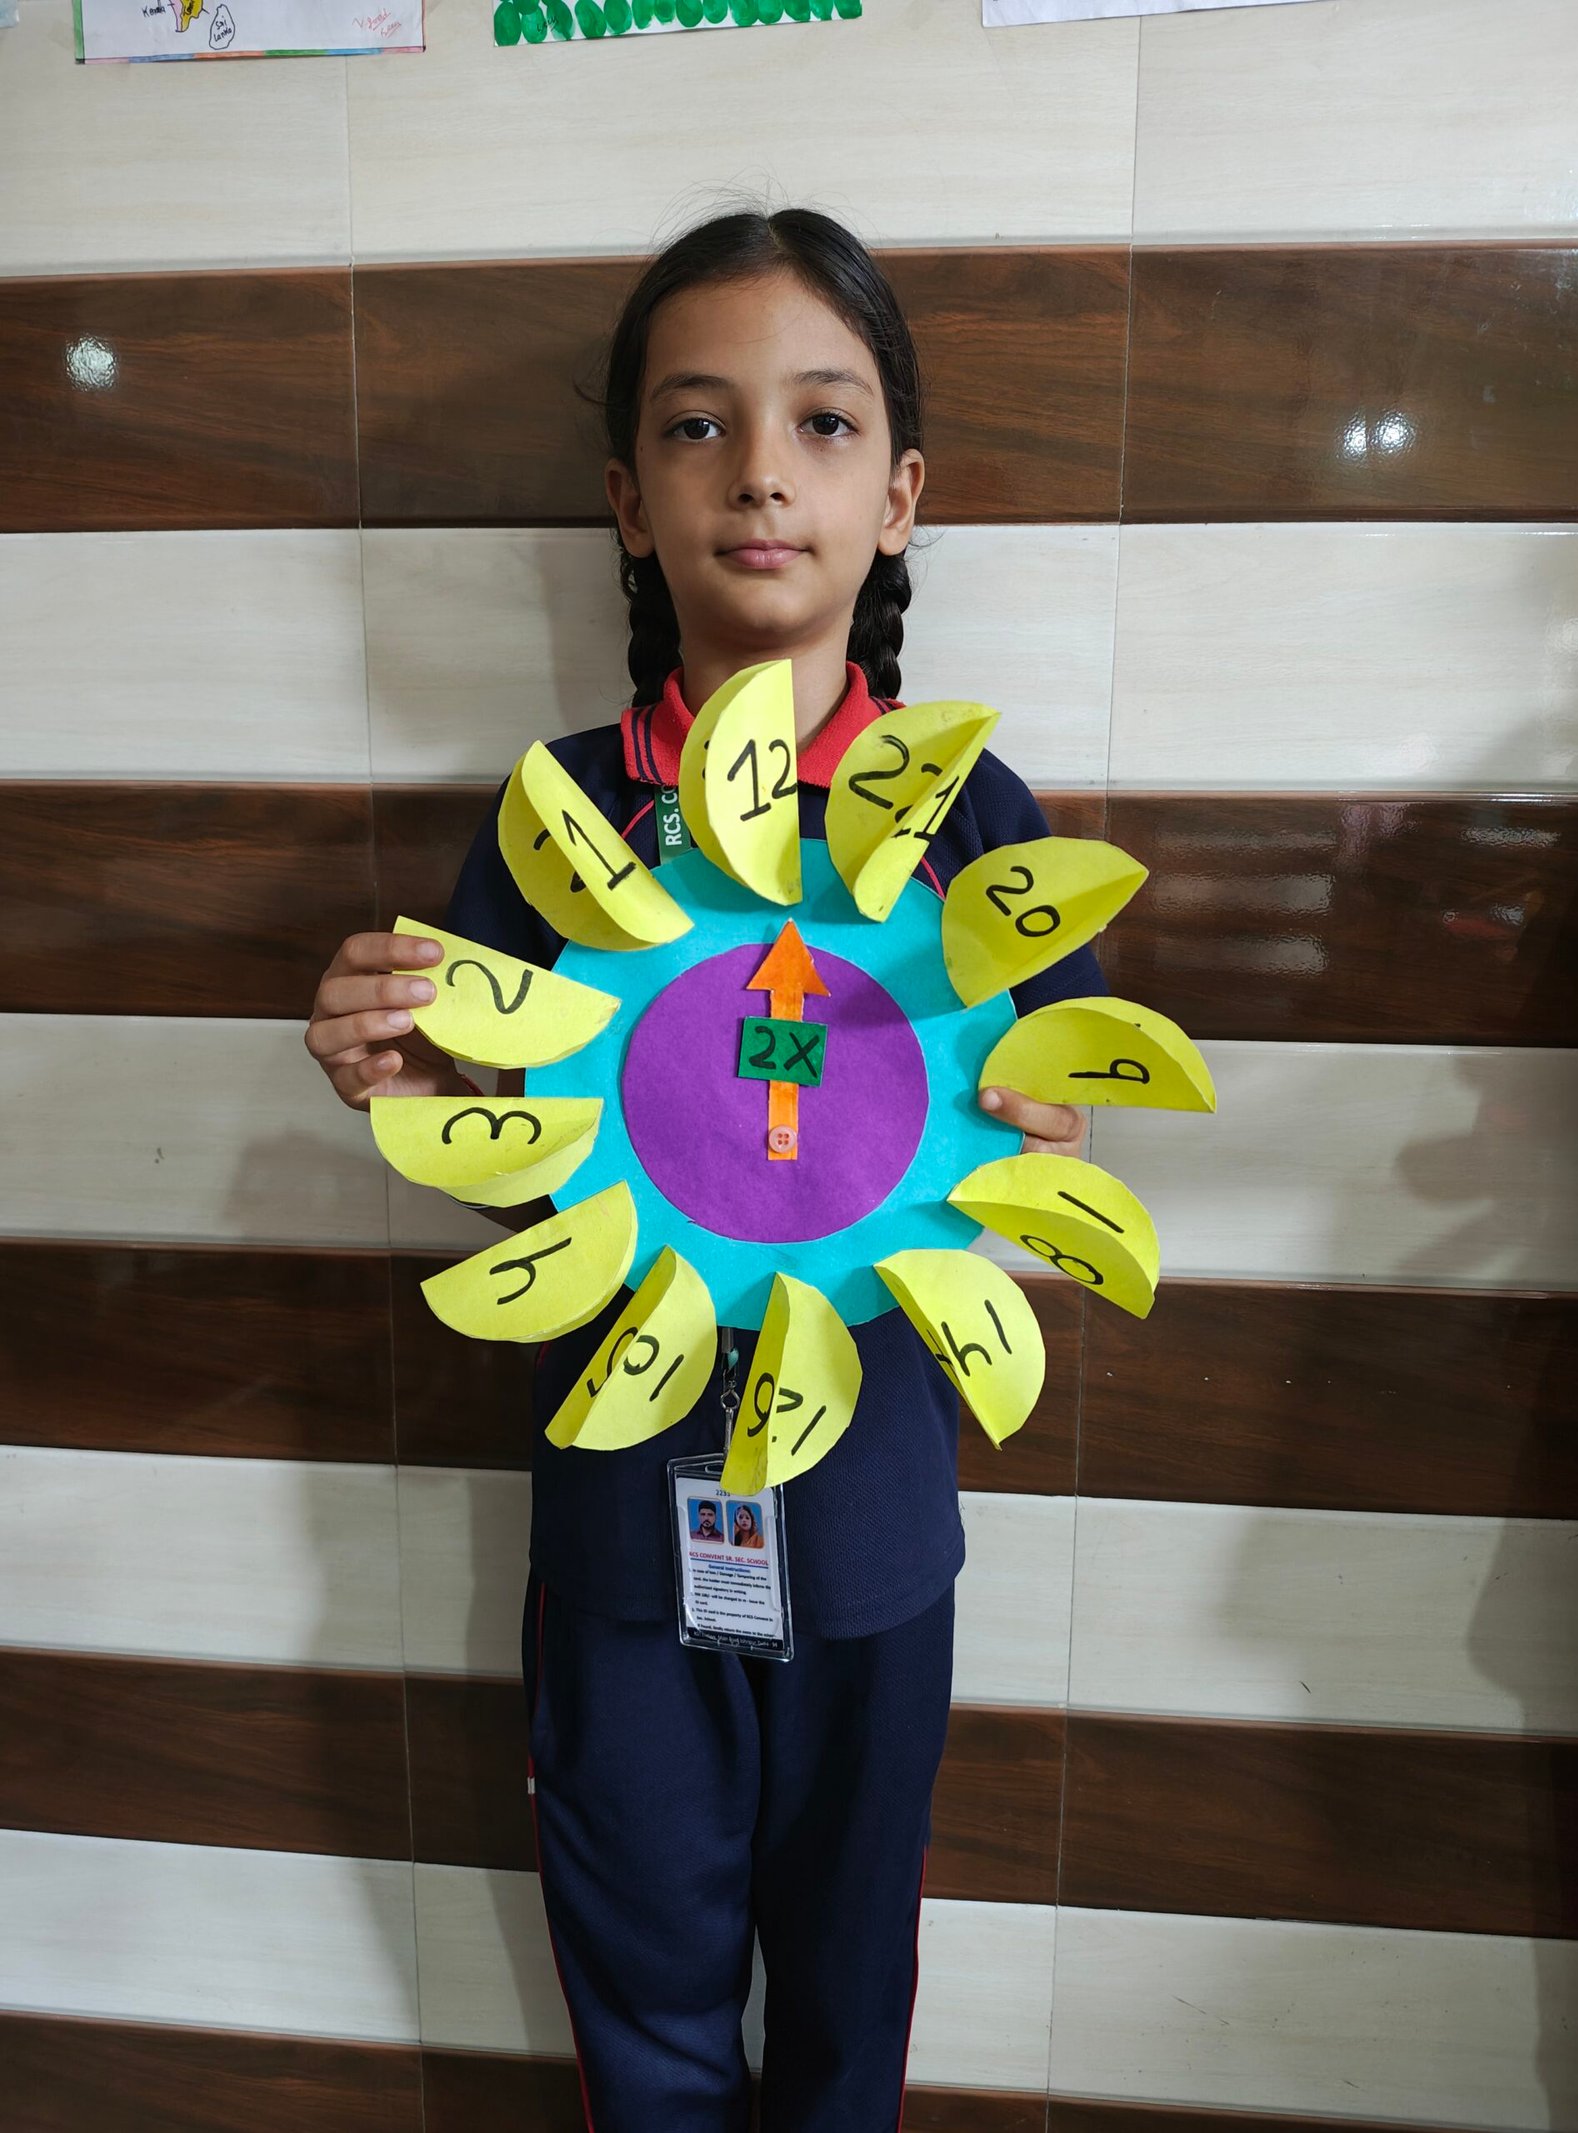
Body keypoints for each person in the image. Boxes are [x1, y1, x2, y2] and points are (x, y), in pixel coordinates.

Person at [306, 206, 1104, 2133]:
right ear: (626, 497)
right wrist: (410, 1076)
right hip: (619, 1522)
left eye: (823, 423)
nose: (760, 472)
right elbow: (528, 1182)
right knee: (647, 2009)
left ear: (899, 498)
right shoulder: (561, 815)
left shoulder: (974, 822)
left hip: (873, 1521)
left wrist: (1039, 1140)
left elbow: (1047, 1165)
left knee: (847, 1997)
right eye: (697, 424)